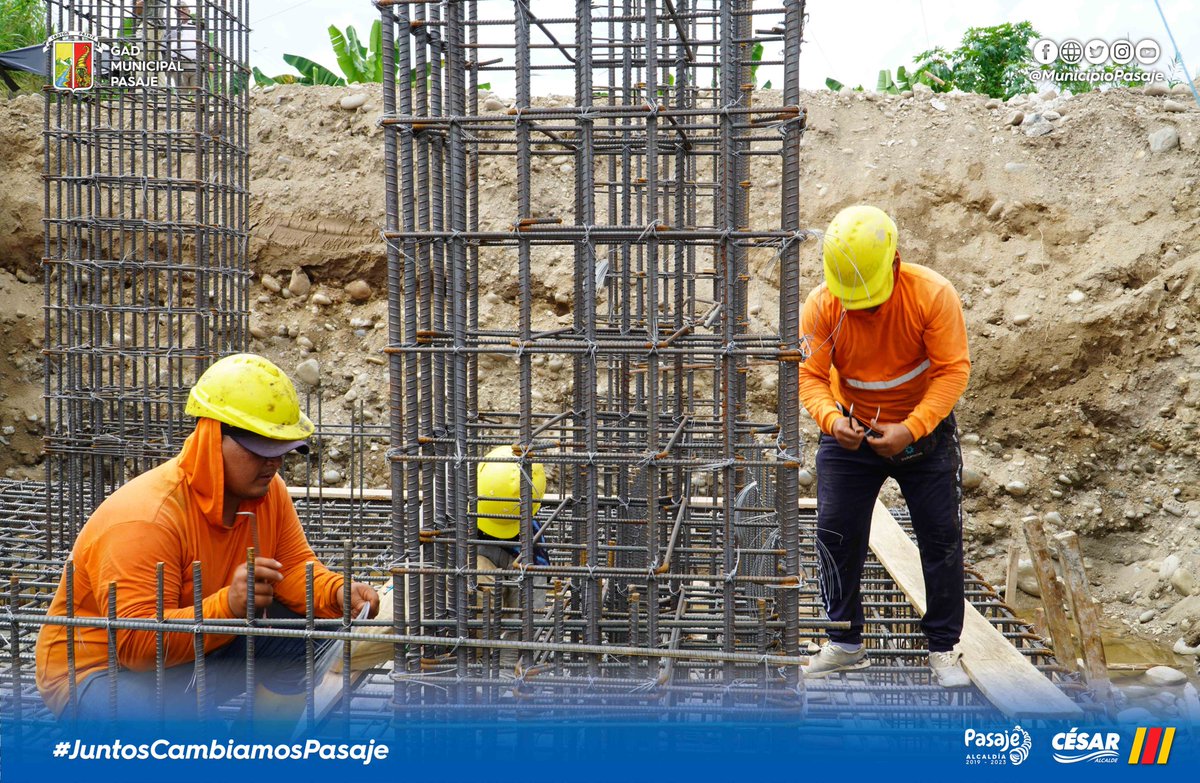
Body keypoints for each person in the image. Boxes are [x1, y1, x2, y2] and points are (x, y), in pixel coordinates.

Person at [35, 353, 380, 721]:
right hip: (99, 674)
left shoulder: (266, 490)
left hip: (189, 653)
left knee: (311, 628)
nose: (273, 463)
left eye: (280, 450)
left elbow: (292, 568)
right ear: (211, 437)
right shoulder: (146, 519)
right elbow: (135, 645)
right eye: (260, 450)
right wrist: (228, 608)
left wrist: (335, 593)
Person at [798, 205, 972, 688]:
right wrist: (833, 421)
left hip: (924, 435)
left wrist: (912, 428)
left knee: (940, 540)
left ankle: (943, 646)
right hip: (850, 429)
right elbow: (810, 376)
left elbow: (952, 370)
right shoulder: (823, 305)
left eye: (869, 302)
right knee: (835, 532)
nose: (863, 311)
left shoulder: (932, 296)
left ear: (895, 263)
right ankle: (844, 641)